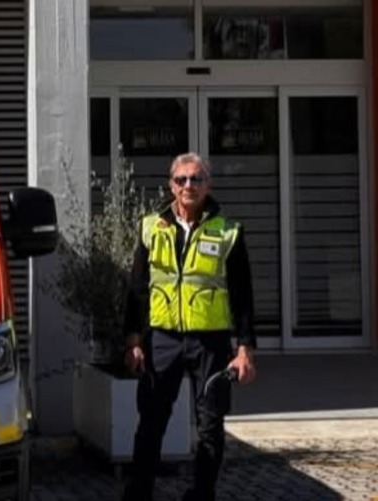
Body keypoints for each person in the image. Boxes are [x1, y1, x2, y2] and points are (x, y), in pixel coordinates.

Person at [121, 152, 257, 501]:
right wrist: (133, 339)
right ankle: (139, 493)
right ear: (171, 185)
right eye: (181, 180)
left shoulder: (227, 231)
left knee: (210, 426)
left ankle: (201, 494)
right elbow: (137, 289)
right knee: (151, 423)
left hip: (210, 344)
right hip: (162, 339)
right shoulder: (152, 227)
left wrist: (244, 350)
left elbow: (242, 295)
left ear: (207, 185)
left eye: (196, 179)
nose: (188, 186)